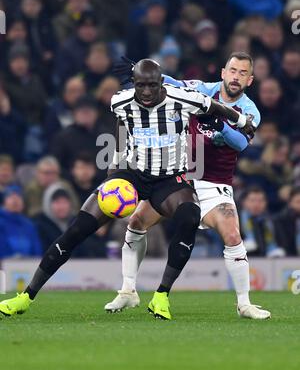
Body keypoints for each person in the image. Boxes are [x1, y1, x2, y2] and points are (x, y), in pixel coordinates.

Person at [0, 58, 253, 318]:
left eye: (152, 86)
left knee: (189, 216)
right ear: (133, 83)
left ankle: (161, 296)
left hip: (169, 179)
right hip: (132, 174)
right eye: (140, 85)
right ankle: (25, 296)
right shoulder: (120, 101)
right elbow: (122, 130)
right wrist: (112, 175)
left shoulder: (183, 98)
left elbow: (216, 107)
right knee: (78, 228)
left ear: (161, 83)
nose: (145, 92)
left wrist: (243, 121)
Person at [105, 52, 271, 320]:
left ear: (250, 80)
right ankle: (127, 290)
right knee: (136, 222)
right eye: (232, 70)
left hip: (215, 182)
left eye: (242, 73)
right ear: (223, 72)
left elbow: (241, 143)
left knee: (232, 235)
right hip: (180, 177)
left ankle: (244, 304)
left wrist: (220, 125)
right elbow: (173, 83)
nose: (236, 77)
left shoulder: (250, 111)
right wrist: (140, 69)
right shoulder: (204, 91)